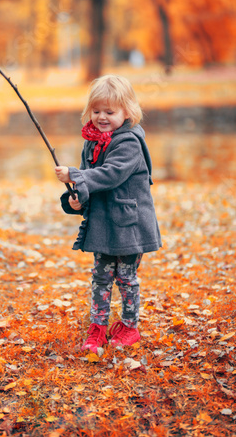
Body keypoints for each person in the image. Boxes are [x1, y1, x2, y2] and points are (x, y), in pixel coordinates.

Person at [55, 74, 162, 354]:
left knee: (126, 278)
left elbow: (110, 174)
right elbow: (89, 183)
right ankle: (98, 328)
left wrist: (76, 175)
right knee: (101, 276)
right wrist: (76, 199)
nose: (102, 117)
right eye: (96, 110)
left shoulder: (128, 143)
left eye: (110, 112)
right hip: (102, 224)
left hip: (128, 226)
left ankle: (129, 327)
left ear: (127, 112)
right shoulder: (91, 142)